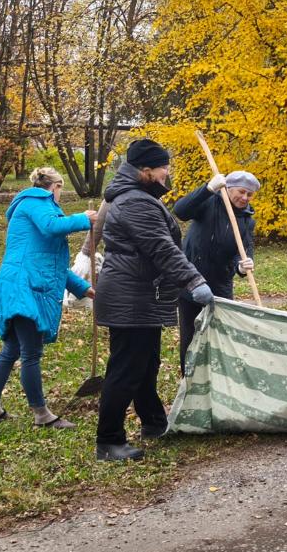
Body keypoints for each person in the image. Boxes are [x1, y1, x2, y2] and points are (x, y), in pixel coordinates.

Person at [93, 139, 214, 461]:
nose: (166, 174)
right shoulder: (136, 202)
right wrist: (193, 281)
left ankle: (153, 422)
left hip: (138, 294)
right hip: (129, 295)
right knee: (126, 369)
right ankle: (108, 441)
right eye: (163, 168)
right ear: (145, 170)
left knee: (145, 365)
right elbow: (161, 247)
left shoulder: (137, 197)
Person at [0, 167, 97, 428]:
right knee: (31, 353)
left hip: (20, 283)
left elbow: (51, 263)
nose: (61, 194)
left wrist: (83, 288)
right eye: (61, 189)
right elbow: (52, 227)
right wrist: (84, 218)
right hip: (24, 286)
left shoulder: (33, 206)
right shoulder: (36, 203)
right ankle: (41, 414)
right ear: (54, 186)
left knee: (12, 349)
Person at [173, 170, 259, 374]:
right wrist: (207, 189)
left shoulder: (247, 219)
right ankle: (189, 379)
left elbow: (245, 248)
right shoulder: (209, 202)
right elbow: (181, 211)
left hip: (221, 285)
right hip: (192, 282)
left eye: (250, 195)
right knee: (191, 336)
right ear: (228, 188)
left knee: (219, 336)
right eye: (241, 192)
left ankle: (215, 379)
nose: (245, 198)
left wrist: (242, 264)